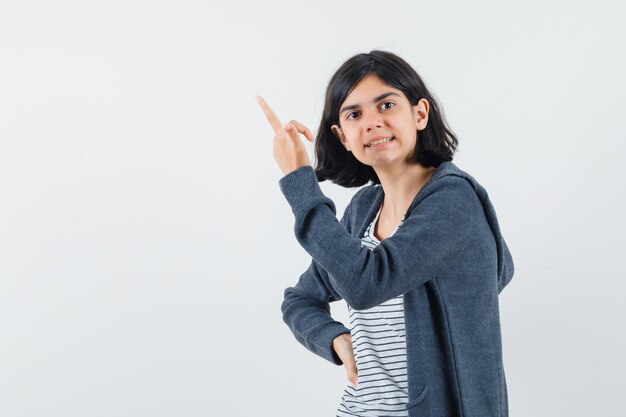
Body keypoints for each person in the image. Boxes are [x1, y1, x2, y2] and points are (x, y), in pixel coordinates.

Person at [256, 50, 515, 417]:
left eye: (387, 104)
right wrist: (334, 339)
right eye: (354, 114)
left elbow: (366, 284)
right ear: (342, 137)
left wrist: (299, 181)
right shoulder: (363, 210)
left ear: (420, 113)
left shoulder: (454, 201)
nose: (372, 123)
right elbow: (299, 300)